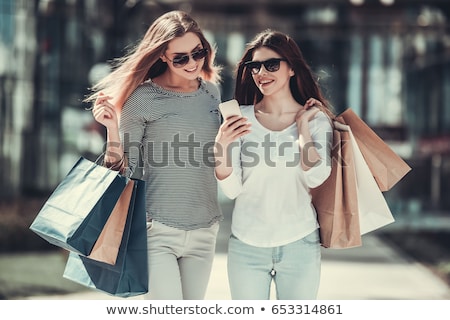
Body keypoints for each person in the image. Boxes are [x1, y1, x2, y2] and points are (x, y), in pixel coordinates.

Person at [88, 10, 223, 300]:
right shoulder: (142, 98)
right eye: (181, 57)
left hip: (205, 227)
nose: (192, 63)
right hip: (156, 229)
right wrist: (112, 128)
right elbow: (124, 168)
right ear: (162, 55)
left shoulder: (212, 93)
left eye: (197, 53)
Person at [214, 29, 334, 300]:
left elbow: (316, 177)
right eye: (255, 66)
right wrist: (221, 146)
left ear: (292, 68)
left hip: (299, 242)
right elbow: (231, 190)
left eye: (271, 65)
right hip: (246, 245)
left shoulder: (315, 120)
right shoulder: (240, 119)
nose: (261, 73)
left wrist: (302, 127)